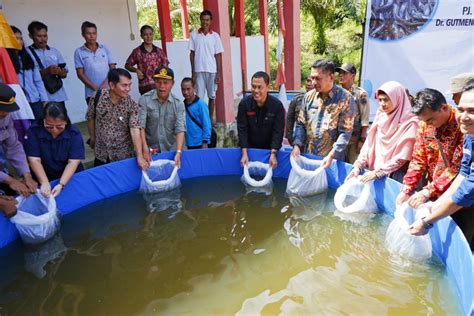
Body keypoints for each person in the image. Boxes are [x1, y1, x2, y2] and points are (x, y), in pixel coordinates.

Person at [410, 83, 474, 250]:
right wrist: (434, 204)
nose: (464, 116)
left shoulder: (462, 129)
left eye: (472, 111)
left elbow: (466, 187)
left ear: (444, 108)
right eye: (461, 109)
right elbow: (464, 173)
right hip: (446, 193)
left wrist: (427, 220)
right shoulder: (469, 133)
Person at [396, 89, 464, 208]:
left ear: (444, 108)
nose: (428, 124)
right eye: (424, 121)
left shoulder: (463, 126)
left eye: (430, 119)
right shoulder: (425, 124)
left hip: (459, 196)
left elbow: (457, 167)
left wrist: (428, 191)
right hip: (433, 191)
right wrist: (406, 189)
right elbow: (418, 159)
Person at [346, 81, 419, 183]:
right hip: (375, 171)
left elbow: (401, 157)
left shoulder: (411, 123)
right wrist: (358, 165)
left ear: (397, 98)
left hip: (397, 175)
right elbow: (369, 143)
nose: (382, 104)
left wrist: (379, 172)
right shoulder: (381, 115)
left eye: (386, 100)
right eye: (380, 100)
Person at [291, 59, 355, 168]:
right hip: (309, 157)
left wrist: (332, 155)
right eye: (312, 78)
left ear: (331, 77)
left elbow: (345, 133)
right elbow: (300, 124)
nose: (313, 82)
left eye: (318, 78)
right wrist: (297, 145)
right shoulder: (308, 97)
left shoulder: (345, 98)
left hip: (331, 161)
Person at [86, 68, 147, 169]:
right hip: (101, 155)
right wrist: (93, 138)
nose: (128, 89)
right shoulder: (97, 97)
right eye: (124, 85)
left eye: (129, 85)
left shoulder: (131, 105)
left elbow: (135, 130)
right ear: (112, 85)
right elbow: (90, 117)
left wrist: (139, 156)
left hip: (123, 156)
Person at [24, 102, 85, 197]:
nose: (54, 130)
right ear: (43, 120)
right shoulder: (34, 131)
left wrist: (61, 184)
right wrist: (44, 182)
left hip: (70, 175)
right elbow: (34, 159)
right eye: (49, 126)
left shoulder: (74, 133)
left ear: (66, 121)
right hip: (44, 173)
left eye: (59, 126)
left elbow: (73, 162)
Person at [139, 66, 186, 167]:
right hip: (151, 153)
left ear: (172, 84)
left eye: (166, 83)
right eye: (158, 82)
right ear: (154, 82)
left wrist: (178, 151)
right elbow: (140, 127)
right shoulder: (145, 100)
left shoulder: (178, 104)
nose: (161, 86)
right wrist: (144, 148)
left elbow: (180, 129)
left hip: (172, 151)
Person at [237, 71, 285, 169]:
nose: (256, 90)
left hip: (270, 149)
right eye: (253, 87)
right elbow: (242, 130)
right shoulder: (244, 104)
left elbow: (278, 131)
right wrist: (244, 153)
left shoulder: (277, 106)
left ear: (267, 87)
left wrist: (273, 153)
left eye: (260, 87)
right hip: (250, 149)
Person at [0, 84, 37, 197]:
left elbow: (14, 147)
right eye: (1, 109)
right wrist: (9, 180)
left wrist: (26, 174)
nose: (5, 113)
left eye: (7, 110)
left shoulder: (6, 116)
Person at [189, 10, 224, 123]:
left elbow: (218, 55)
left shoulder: (215, 36)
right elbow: (192, 54)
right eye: (203, 20)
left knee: (212, 96)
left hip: (212, 71)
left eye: (207, 20)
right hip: (199, 70)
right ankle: (199, 120)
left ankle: (209, 120)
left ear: (211, 21)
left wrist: (218, 73)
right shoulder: (194, 35)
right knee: (198, 97)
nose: (205, 22)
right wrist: (193, 72)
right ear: (200, 20)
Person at [7, 25, 48, 120]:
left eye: (20, 38)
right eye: (16, 38)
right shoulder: (5, 62)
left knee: (39, 128)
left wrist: (44, 99)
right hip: (17, 102)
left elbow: (38, 81)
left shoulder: (28, 57)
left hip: (34, 100)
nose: (20, 41)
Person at [27, 21, 68, 108]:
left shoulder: (54, 51)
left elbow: (64, 75)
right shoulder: (26, 53)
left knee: (62, 120)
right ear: (30, 36)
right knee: (42, 121)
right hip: (38, 97)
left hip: (58, 95)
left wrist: (61, 73)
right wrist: (46, 71)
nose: (43, 39)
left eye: (45, 36)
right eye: (39, 36)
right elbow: (28, 77)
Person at [74, 21, 116, 104]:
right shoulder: (79, 52)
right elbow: (80, 74)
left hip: (109, 90)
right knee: (95, 116)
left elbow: (113, 68)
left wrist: (106, 83)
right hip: (91, 93)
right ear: (83, 35)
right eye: (88, 33)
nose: (91, 36)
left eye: (94, 33)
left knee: (113, 116)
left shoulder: (104, 48)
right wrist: (95, 88)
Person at [336, 63, 370, 164]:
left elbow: (365, 119)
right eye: (340, 73)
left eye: (344, 73)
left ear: (353, 76)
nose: (341, 75)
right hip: (339, 138)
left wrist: (361, 140)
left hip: (354, 140)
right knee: (338, 165)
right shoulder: (337, 93)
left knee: (353, 166)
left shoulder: (360, 94)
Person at [125, 25, 169, 95]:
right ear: (141, 36)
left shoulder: (159, 51)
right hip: (145, 88)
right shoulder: (137, 51)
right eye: (145, 35)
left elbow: (166, 67)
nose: (148, 37)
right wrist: (136, 70)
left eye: (150, 34)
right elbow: (127, 65)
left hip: (159, 87)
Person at [181, 77, 211, 149]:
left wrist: (205, 142)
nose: (185, 92)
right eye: (183, 89)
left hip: (201, 143)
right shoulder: (182, 105)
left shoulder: (201, 104)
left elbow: (207, 124)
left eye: (188, 89)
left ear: (194, 88)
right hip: (189, 143)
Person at [285, 75, 313, 146]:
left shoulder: (322, 99)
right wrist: (290, 137)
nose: (308, 84)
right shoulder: (297, 98)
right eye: (307, 81)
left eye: (311, 81)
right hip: (299, 141)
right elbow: (289, 119)